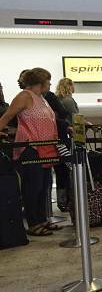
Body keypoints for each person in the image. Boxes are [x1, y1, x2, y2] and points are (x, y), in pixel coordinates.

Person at [0, 68, 60, 237]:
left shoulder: (42, 98)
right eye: (48, 80)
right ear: (40, 82)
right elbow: (6, 116)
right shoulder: (24, 96)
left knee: (44, 186)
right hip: (31, 148)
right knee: (33, 187)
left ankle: (42, 220)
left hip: (46, 148)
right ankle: (34, 223)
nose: (50, 83)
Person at [55, 77, 79, 210]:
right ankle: (68, 200)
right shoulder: (69, 100)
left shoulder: (57, 100)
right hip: (68, 136)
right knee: (70, 168)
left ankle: (61, 200)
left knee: (60, 169)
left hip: (58, 138)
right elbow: (76, 117)